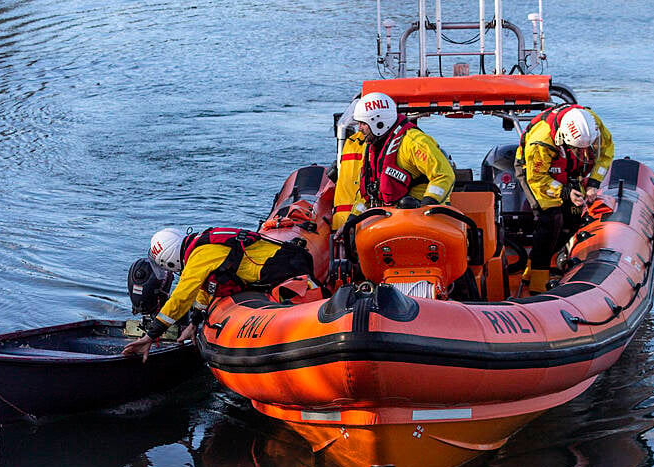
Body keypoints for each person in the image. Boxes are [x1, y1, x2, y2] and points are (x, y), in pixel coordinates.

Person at [122, 226, 315, 362]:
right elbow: (205, 290)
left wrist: (150, 335)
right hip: (288, 260)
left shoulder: (199, 256)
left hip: (287, 268)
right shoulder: (201, 248)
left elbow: (181, 297)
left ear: (170, 261)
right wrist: (194, 322)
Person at [514, 104, 614, 294]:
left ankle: (533, 263)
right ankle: (537, 279)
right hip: (537, 173)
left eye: (587, 149)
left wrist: (593, 183)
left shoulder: (593, 126)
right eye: (580, 150)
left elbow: (606, 154)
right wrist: (566, 193)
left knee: (573, 220)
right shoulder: (540, 142)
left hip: (568, 171)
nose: (585, 154)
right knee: (551, 219)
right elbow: (537, 179)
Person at [345, 92, 456, 218]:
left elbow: (444, 175)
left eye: (363, 123)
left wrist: (427, 205)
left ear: (379, 123)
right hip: (392, 218)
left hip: (423, 217)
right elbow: (368, 193)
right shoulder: (374, 150)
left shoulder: (414, 143)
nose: (359, 129)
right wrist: (353, 218)